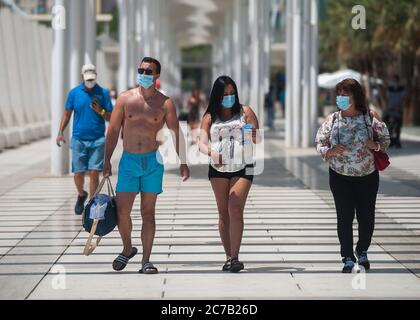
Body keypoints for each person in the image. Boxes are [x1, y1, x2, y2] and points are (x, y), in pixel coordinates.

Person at [104, 57, 190, 274]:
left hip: (152, 161)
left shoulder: (165, 103)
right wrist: (105, 160)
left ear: (156, 76)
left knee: (148, 212)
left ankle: (146, 260)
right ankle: (127, 248)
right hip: (129, 161)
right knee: (123, 212)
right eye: (140, 69)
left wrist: (184, 161)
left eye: (148, 71)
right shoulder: (125, 99)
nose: (143, 73)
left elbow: (175, 132)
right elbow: (113, 131)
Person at [315, 78, 390, 273]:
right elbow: (320, 142)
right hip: (340, 176)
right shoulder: (333, 119)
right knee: (344, 216)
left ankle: (362, 250)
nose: (341, 98)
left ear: (356, 96)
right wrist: (330, 151)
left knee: (367, 217)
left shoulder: (370, 117)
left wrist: (376, 146)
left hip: (367, 175)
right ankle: (347, 256)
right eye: (339, 94)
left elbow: (386, 139)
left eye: (345, 95)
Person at [199, 76, 260, 273]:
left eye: (232, 93)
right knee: (223, 212)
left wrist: (252, 135)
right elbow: (200, 143)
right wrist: (211, 152)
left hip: (245, 165)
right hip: (218, 168)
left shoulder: (245, 111)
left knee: (235, 206)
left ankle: (235, 257)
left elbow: (257, 137)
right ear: (217, 95)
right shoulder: (209, 116)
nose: (229, 96)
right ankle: (228, 257)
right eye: (225, 94)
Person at [56, 64, 113, 215]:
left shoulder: (103, 93)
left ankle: (91, 205)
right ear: (82, 77)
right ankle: (82, 194)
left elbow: (111, 117)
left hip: (97, 139)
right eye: (88, 79)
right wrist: (60, 132)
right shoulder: (74, 93)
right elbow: (67, 114)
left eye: (92, 79)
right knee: (78, 173)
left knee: (94, 172)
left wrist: (100, 110)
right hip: (79, 139)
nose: (90, 82)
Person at [384, 75, 406, 148]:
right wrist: (386, 108)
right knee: (388, 125)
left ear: (398, 81)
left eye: (396, 80)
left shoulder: (401, 89)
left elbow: (402, 99)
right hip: (390, 110)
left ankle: (397, 141)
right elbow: (387, 99)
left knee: (398, 126)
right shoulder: (389, 89)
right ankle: (389, 141)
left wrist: (399, 107)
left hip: (398, 110)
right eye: (393, 80)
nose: (394, 82)